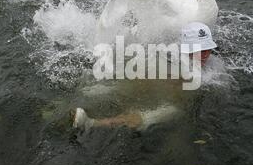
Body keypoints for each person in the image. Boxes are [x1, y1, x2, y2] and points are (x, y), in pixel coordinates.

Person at [73, 22, 217, 131]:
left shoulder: (214, 70)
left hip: (175, 106)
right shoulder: (172, 56)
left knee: (146, 116)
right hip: (162, 87)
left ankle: (91, 124)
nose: (204, 54)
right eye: (198, 49)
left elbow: (182, 96)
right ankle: (80, 97)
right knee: (135, 82)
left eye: (207, 48)